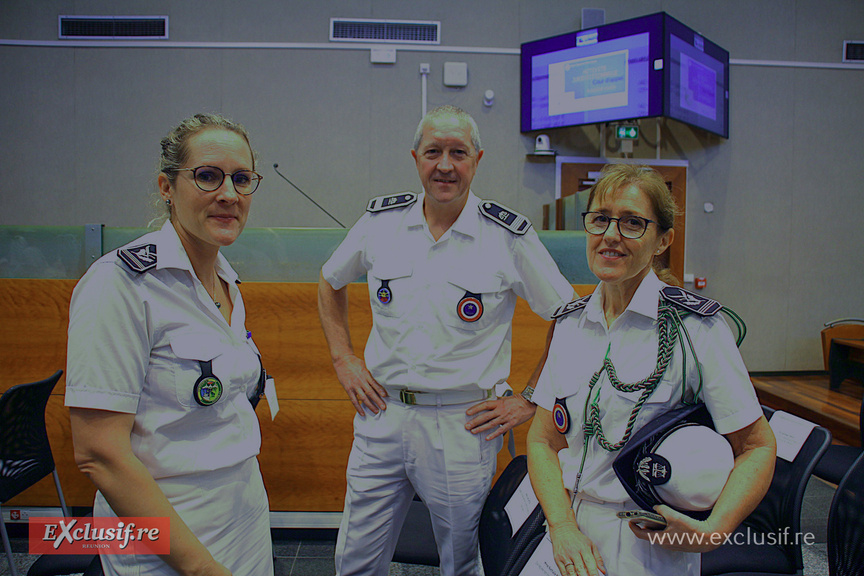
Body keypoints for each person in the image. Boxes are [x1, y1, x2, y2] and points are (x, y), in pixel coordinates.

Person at [318, 105, 575, 576]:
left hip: (462, 424)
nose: (445, 165)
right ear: (416, 158)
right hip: (381, 414)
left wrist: (531, 398)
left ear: (476, 160)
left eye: (458, 153)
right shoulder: (381, 222)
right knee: (355, 557)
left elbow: (568, 314)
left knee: (461, 561)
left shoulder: (506, 236)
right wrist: (343, 359)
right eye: (433, 151)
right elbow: (331, 281)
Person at [527, 163, 777, 576]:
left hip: (646, 538)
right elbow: (542, 440)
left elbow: (756, 445)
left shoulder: (697, 329)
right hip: (566, 528)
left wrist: (713, 532)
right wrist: (562, 526)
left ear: (663, 240)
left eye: (632, 223)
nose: (610, 235)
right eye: (601, 219)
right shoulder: (570, 324)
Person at [65, 113, 273, 576]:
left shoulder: (225, 282)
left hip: (245, 520)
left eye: (242, 179)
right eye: (207, 176)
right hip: (169, 546)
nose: (228, 194)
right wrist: (200, 567)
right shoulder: (119, 285)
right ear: (166, 186)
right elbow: (100, 454)